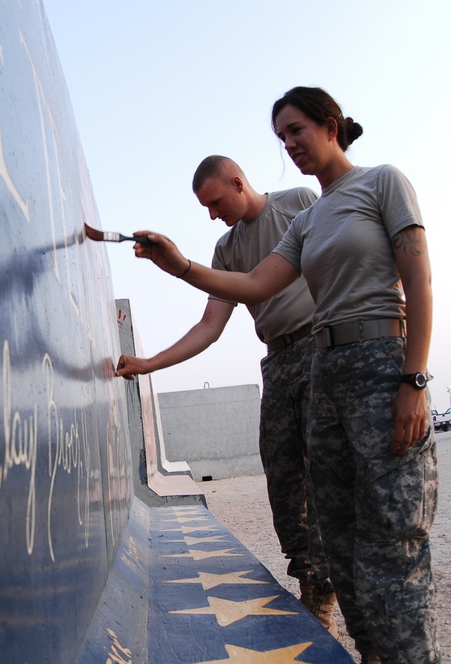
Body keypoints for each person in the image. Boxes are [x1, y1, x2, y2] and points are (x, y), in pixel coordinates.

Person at [129, 87, 440, 664]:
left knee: (393, 535)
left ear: (330, 124)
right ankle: (364, 644)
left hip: (379, 363)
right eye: (282, 137)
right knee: (337, 530)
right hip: (327, 373)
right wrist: (181, 266)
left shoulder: (380, 183)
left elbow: (417, 281)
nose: (290, 145)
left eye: (297, 130)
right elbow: (252, 286)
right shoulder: (310, 219)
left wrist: (413, 379)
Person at [114, 155, 338, 631]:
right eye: (205, 207)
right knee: (284, 483)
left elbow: (341, 256)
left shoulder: (298, 204)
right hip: (278, 362)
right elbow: (210, 326)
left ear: (238, 182)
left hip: (322, 351)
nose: (212, 214)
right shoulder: (227, 250)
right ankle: (313, 589)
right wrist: (148, 364)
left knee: (331, 480)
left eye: (215, 202)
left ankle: (341, 593)